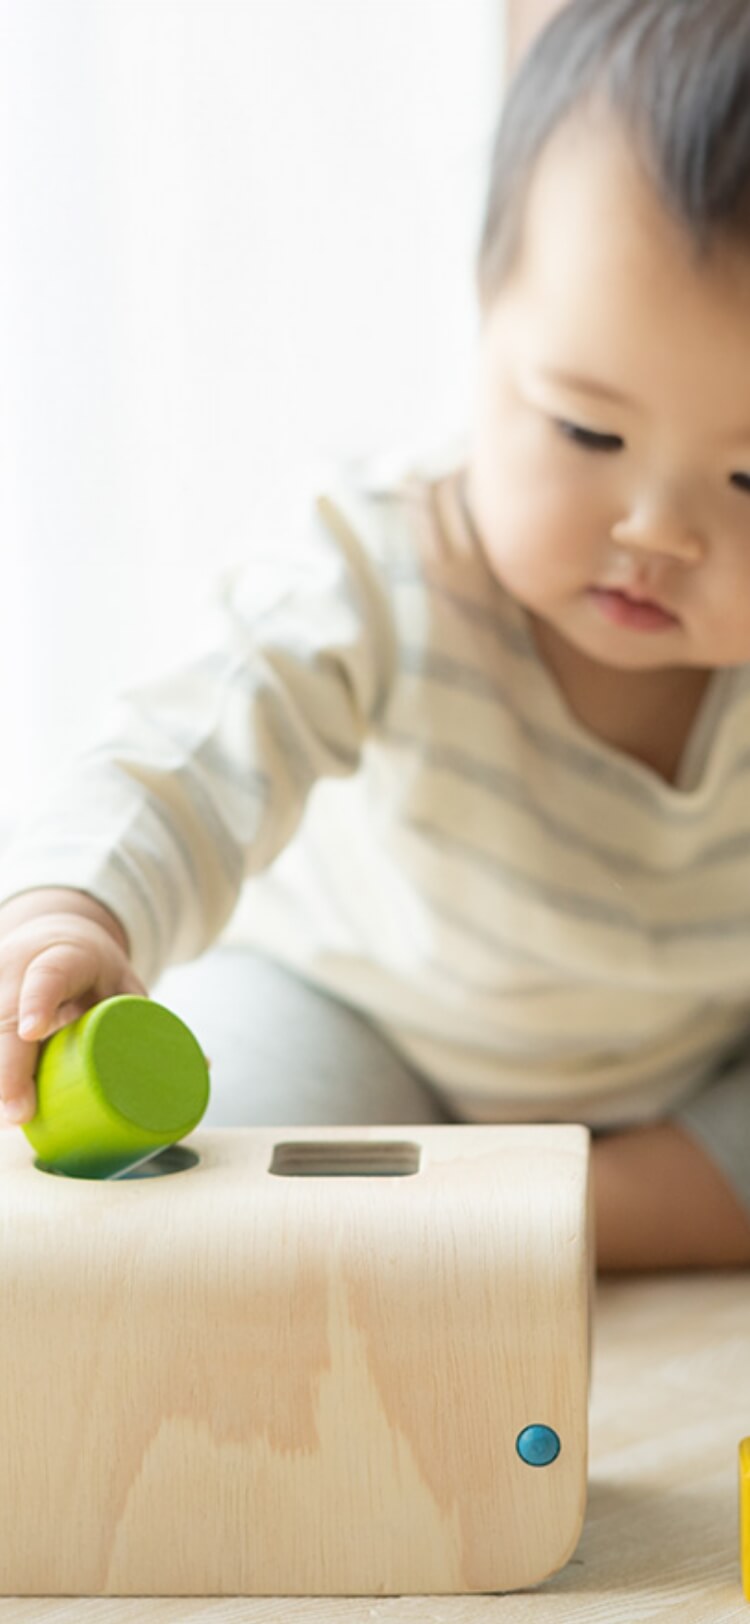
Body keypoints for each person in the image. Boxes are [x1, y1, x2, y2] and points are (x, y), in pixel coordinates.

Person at [2, 0, 750, 1272]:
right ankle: (464, 1222)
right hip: (363, 1016)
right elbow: (195, 744)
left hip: (676, 1077)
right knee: (190, 1175)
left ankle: (551, 1219)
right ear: (482, 314)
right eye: (585, 429)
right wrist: (78, 909)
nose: (655, 529)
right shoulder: (380, 561)